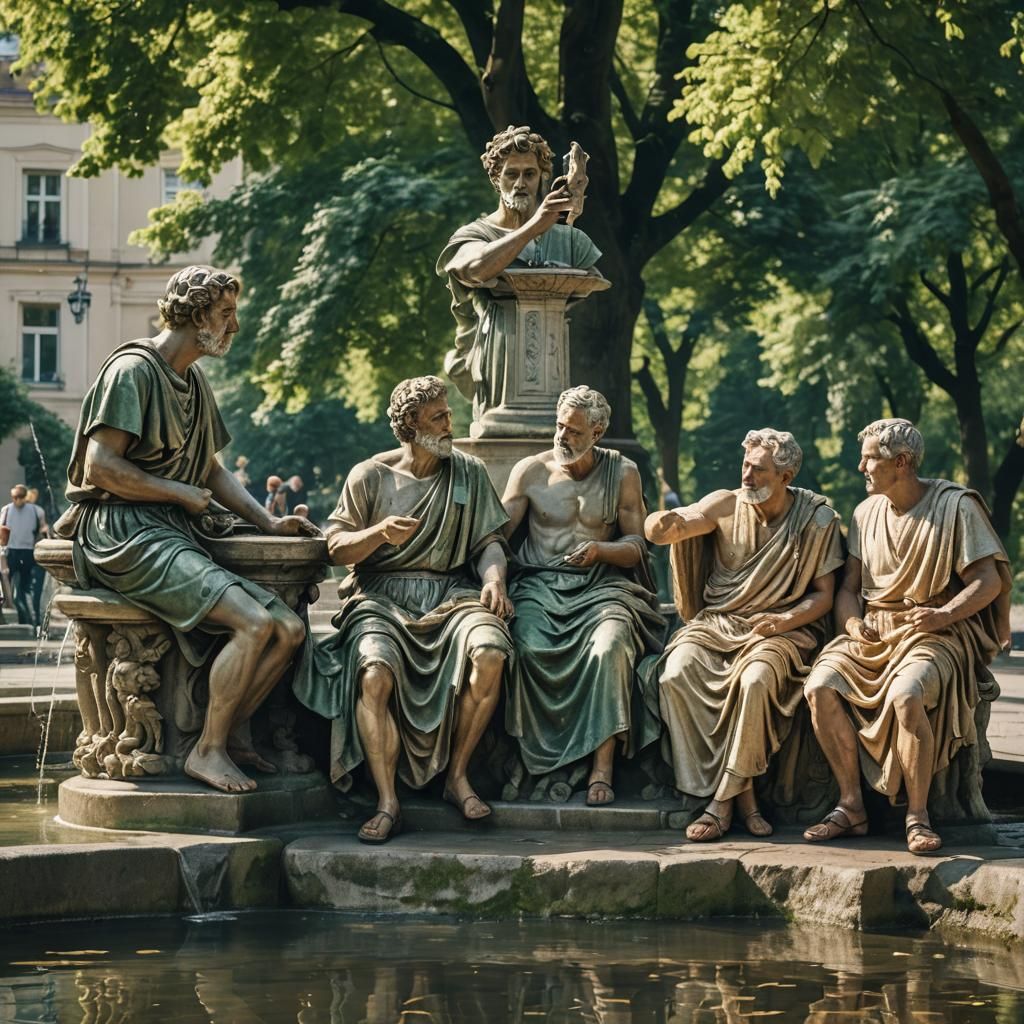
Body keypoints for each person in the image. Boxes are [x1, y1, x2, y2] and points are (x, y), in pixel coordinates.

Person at [53, 265, 319, 794]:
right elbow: (100, 468)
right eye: (226, 314)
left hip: (169, 530)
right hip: (124, 532)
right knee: (253, 624)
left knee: (287, 629)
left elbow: (212, 470)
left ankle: (229, 733)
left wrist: (266, 521)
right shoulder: (133, 370)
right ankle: (208, 750)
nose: (234, 327)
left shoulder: (193, 381)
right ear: (197, 316)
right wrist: (176, 493)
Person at [294, 375, 514, 843]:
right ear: (410, 424)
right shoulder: (370, 474)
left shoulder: (468, 472)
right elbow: (334, 547)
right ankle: (387, 799)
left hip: (451, 594)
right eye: (438, 417)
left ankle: (457, 776)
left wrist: (494, 579)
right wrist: (376, 535)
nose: (450, 424)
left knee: (491, 651)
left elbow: (489, 541)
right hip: (382, 597)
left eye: (449, 414)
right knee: (374, 673)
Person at [802, 418, 1011, 855]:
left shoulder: (955, 507)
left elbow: (988, 581)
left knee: (906, 694)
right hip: (874, 632)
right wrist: (853, 624)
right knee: (820, 685)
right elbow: (847, 588)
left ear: (901, 462)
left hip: (936, 633)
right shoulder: (865, 513)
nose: (861, 466)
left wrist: (942, 615)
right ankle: (851, 804)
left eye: (869, 458)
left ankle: (917, 815)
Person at [644, 429, 844, 841]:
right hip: (718, 623)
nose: (747, 476)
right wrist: (660, 525)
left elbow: (824, 597)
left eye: (759, 469)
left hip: (781, 629)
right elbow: (678, 526)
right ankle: (744, 797)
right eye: (745, 465)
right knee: (675, 674)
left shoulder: (815, 519)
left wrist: (782, 622)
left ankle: (719, 806)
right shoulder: (725, 504)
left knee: (755, 681)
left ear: (786, 476)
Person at [500, 386, 665, 804]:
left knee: (610, 647)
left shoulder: (622, 472)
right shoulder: (530, 472)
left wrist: (600, 551)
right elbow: (495, 537)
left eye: (573, 431)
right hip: (540, 587)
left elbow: (637, 546)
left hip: (602, 589)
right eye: (559, 426)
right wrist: (493, 579)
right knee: (527, 646)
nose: (562, 437)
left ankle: (601, 769)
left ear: (598, 431)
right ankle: (543, 761)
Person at [437, 125, 602, 419]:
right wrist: (535, 226)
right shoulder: (477, 234)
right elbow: (475, 268)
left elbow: (592, 280)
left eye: (530, 174)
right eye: (511, 174)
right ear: (495, 178)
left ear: (544, 177)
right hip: (497, 370)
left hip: (555, 366)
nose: (520, 183)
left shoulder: (570, 240)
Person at [0, 484, 46, 627]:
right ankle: (13, 618)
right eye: (15, 497)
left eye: (20, 497)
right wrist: (2, 557)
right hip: (11, 551)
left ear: (25, 496)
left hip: (28, 552)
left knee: (25, 589)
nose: (17, 500)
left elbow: (43, 529)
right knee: (6, 588)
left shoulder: (36, 511)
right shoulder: (7, 510)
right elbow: (1, 532)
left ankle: (31, 620)